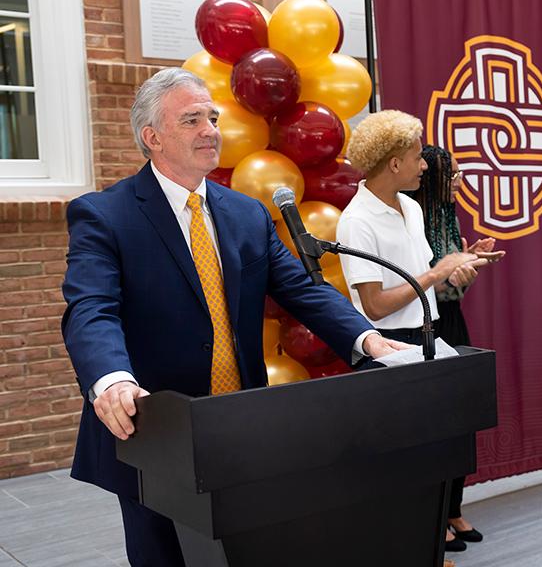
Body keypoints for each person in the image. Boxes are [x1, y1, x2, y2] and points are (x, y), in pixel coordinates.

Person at [61, 68, 405, 566]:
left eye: (213, 117)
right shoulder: (104, 214)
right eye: (191, 119)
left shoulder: (246, 213)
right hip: (153, 431)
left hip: (239, 424)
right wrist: (110, 378)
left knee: (245, 552)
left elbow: (303, 290)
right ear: (151, 138)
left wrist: (367, 340)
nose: (210, 129)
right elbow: (91, 307)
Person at [335, 111, 486, 562]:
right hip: (387, 348)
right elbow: (377, 305)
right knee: (403, 463)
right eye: (418, 156)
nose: (426, 166)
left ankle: (429, 543)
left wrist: (459, 265)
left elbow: (428, 284)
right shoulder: (355, 221)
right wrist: (435, 270)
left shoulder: (413, 207)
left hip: (427, 337)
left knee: (434, 453)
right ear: (394, 163)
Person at [413, 144, 504, 549]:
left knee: (461, 421)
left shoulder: (447, 215)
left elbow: (454, 289)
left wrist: (470, 261)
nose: (459, 182)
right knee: (432, 425)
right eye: (451, 176)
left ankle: (454, 508)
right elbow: (426, 284)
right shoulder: (412, 219)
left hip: (451, 321)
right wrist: (454, 269)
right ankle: (432, 517)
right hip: (420, 327)